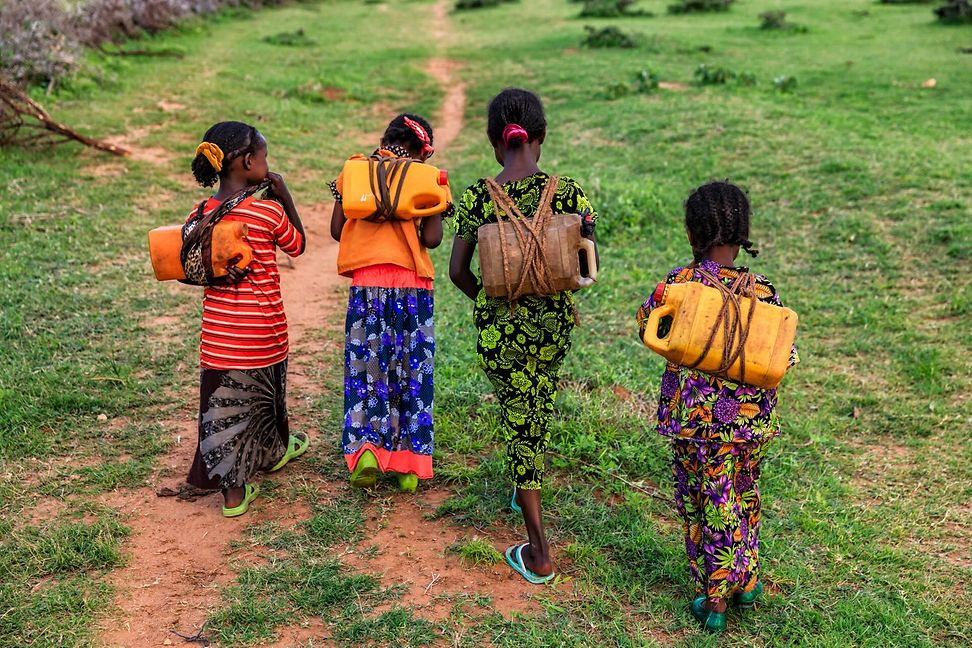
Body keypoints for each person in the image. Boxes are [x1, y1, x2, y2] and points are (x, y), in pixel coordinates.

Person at [449, 88, 598, 584]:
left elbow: (457, 272)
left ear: (496, 143)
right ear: (541, 139)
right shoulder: (571, 193)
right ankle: (524, 474)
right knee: (534, 405)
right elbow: (586, 267)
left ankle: (539, 552)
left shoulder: (477, 197)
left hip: (502, 334)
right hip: (553, 329)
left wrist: (494, 307)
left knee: (520, 421)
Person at [636, 181, 799, 632]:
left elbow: (648, 324)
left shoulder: (681, 284)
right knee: (743, 494)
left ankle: (715, 599)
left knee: (708, 503)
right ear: (742, 233)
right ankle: (746, 581)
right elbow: (787, 355)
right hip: (752, 425)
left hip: (697, 426)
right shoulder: (763, 291)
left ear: (693, 234)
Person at [185, 121, 309, 518]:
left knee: (225, 411)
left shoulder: (200, 213)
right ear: (248, 162)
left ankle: (233, 496)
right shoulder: (266, 213)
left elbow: (186, 263)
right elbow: (298, 244)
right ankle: (271, 452)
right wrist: (285, 196)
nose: (268, 163)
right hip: (264, 334)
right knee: (264, 402)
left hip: (219, 340)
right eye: (265, 157)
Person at [330, 113, 444, 493]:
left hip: (367, 287)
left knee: (368, 369)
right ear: (420, 150)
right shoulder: (426, 179)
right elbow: (432, 239)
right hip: (413, 287)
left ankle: (366, 450)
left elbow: (336, 229)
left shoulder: (355, 171)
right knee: (412, 373)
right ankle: (408, 465)